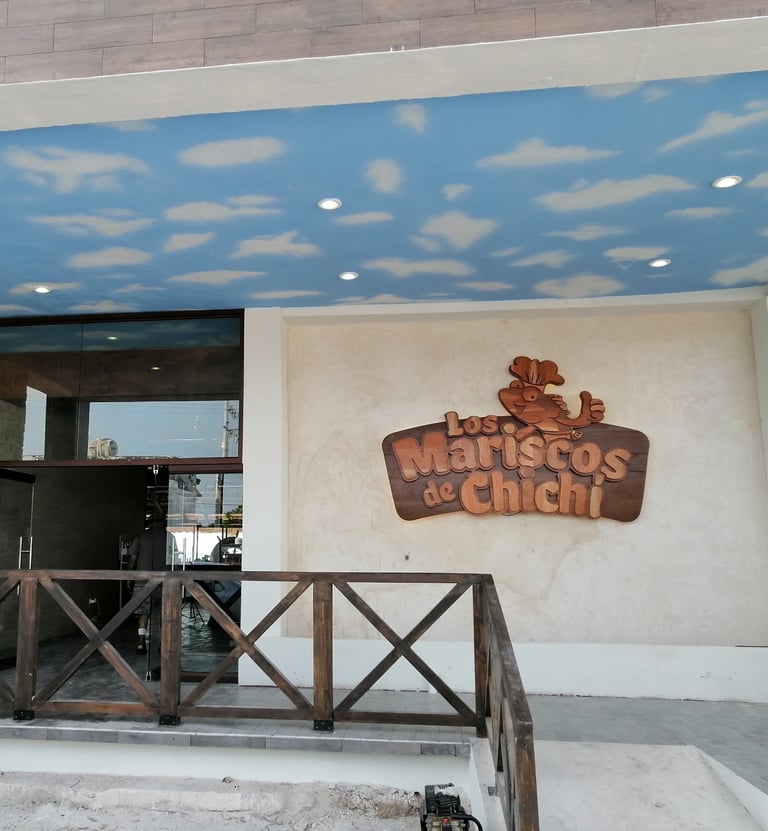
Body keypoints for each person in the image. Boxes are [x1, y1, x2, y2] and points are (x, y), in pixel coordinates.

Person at [126, 517, 168, 653]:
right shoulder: (170, 538)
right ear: (163, 523)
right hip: (165, 581)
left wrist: (130, 576)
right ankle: (163, 643)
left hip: (143, 580)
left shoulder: (141, 536)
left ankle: (141, 642)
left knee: (143, 613)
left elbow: (132, 558)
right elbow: (175, 559)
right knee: (164, 614)